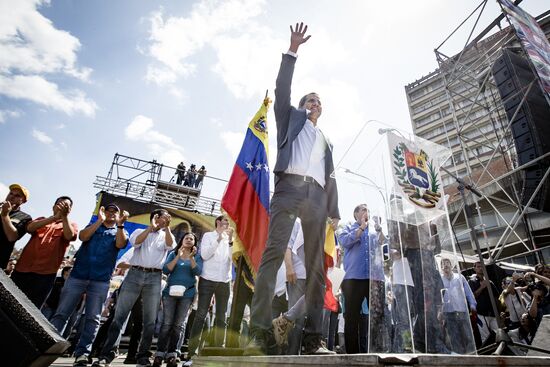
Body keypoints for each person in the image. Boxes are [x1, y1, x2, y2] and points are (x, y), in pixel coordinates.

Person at [245, 22, 340, 356]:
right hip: (288, 190)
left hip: (315, 198)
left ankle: (314, 339)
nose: (314, 103)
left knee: (316, 267)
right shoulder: (290, 118)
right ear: (302, 105)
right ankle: (258, 330)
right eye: (310, 99)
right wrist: (293, 50)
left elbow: (330, 175)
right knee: (272, 256)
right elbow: (282, 86)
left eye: (318, 100)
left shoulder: (326, 138)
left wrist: (335, 212)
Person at [50, 204, 129, 367]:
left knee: (93, 318)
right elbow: (83, 237)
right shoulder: (93, 226)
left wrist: (120, 225)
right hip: (78, 276)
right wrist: (99, 221)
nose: (111, 213)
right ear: (103, 212)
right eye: (108, 210)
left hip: (100, 280)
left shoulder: (120, 231)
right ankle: (49, 348)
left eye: (115, 211)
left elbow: (121, 244)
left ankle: (83, 354)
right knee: (61, 313)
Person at [94, 209, 174, 367]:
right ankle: (107, 354)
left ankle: (142, 355)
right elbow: (136, 243)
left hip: (154, 277)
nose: (163, 221)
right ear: (154, 217)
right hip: (135, 274)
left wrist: (168, 228)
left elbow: (171, 246)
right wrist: (151, 227)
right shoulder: (139, 231)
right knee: (119, 316)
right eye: (160, 217)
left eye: (166, 219)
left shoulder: (166, 235)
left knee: (150, 321)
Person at [11, 196, 78, 308]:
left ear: (70, 210)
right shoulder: (42, 219)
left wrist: (64, 217)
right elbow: (30, 228)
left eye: (65, 205)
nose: (62, 206)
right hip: (22, 269)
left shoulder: (71, 225)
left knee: (30, 308)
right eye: (59, 203)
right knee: (8, 301)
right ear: (53, 206)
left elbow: (69, 235)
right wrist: (53, 218)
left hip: (45, 274)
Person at [187, 215, 233, 358]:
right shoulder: (208, 236)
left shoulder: (230, 240)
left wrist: (230, 241)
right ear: (218, 222)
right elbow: (205, 255)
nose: (227, 223)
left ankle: (218, 349)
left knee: (221, 317)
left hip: (224, 281)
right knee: (200, 315)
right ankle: (192, 351)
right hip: (207, 279)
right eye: (225, 220)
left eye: (228, 221)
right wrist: (218, 238)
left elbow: (233, 259)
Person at [154, 233, 202, 367]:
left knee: (179, 325)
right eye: (186, 238)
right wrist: (177, 257)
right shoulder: (173, 253)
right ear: (182, 240)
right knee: (167, 324)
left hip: (187, 294)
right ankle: (159, 353)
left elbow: (197, 272)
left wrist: (191, 258)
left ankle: (172, 354)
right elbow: (165, 270)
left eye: (191, 239)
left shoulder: (197, 257)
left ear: (194, 243)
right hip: (169, 293)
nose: (188, 240)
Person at [439, 257, 477, 354]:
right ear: (441, 267)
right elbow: (438, 297)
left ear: (451, 266)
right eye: (443, 264)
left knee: (468, 336)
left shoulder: (460, 277)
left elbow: (468, 292)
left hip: (462, 311)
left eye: (447, 263)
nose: (446, 265)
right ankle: (461, 358)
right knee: (454, 339)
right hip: (448, 313)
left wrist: (472, 305)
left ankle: (472, 355)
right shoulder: (440, 279)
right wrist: (439, 312)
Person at [1, 184, 32, 269]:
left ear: (23, 201)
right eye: (11, 193)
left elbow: (12, 237)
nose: (12, 197)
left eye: (17, 195)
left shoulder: (25, 217)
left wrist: (5, 215)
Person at [468, 261, 499, 343]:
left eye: (482, 266)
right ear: (474, 268)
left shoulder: (490, 282)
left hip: (493, 314)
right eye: (478, 266)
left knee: (499, 335)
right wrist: (482, 287)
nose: (481, 268)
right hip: (481, 315)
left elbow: (497, 297)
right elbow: (471, 297)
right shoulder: (471, 282)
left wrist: (498, 312)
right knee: (485, 338)